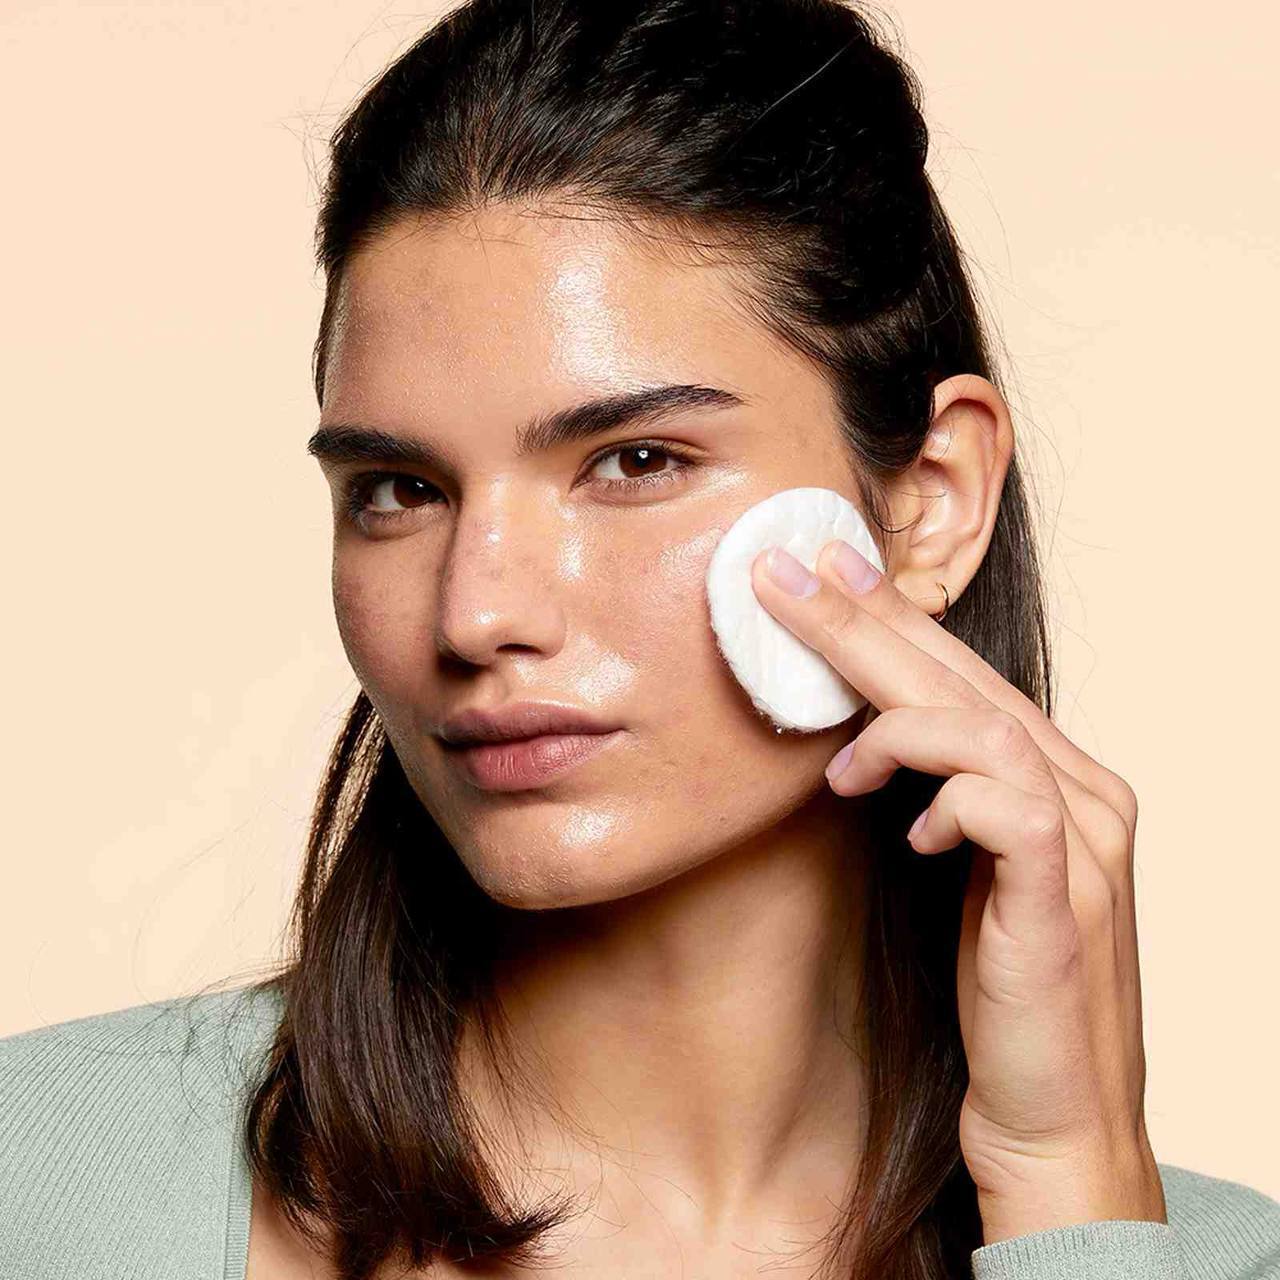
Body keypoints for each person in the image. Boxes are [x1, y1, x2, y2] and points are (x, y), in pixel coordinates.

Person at [3, 2, 1277, 1278]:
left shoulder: (1195, 1254)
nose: (475, 613)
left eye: (635, 461)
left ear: (929, 503)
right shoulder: (45, 1183)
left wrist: (1070, 1186)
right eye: (399, 489)